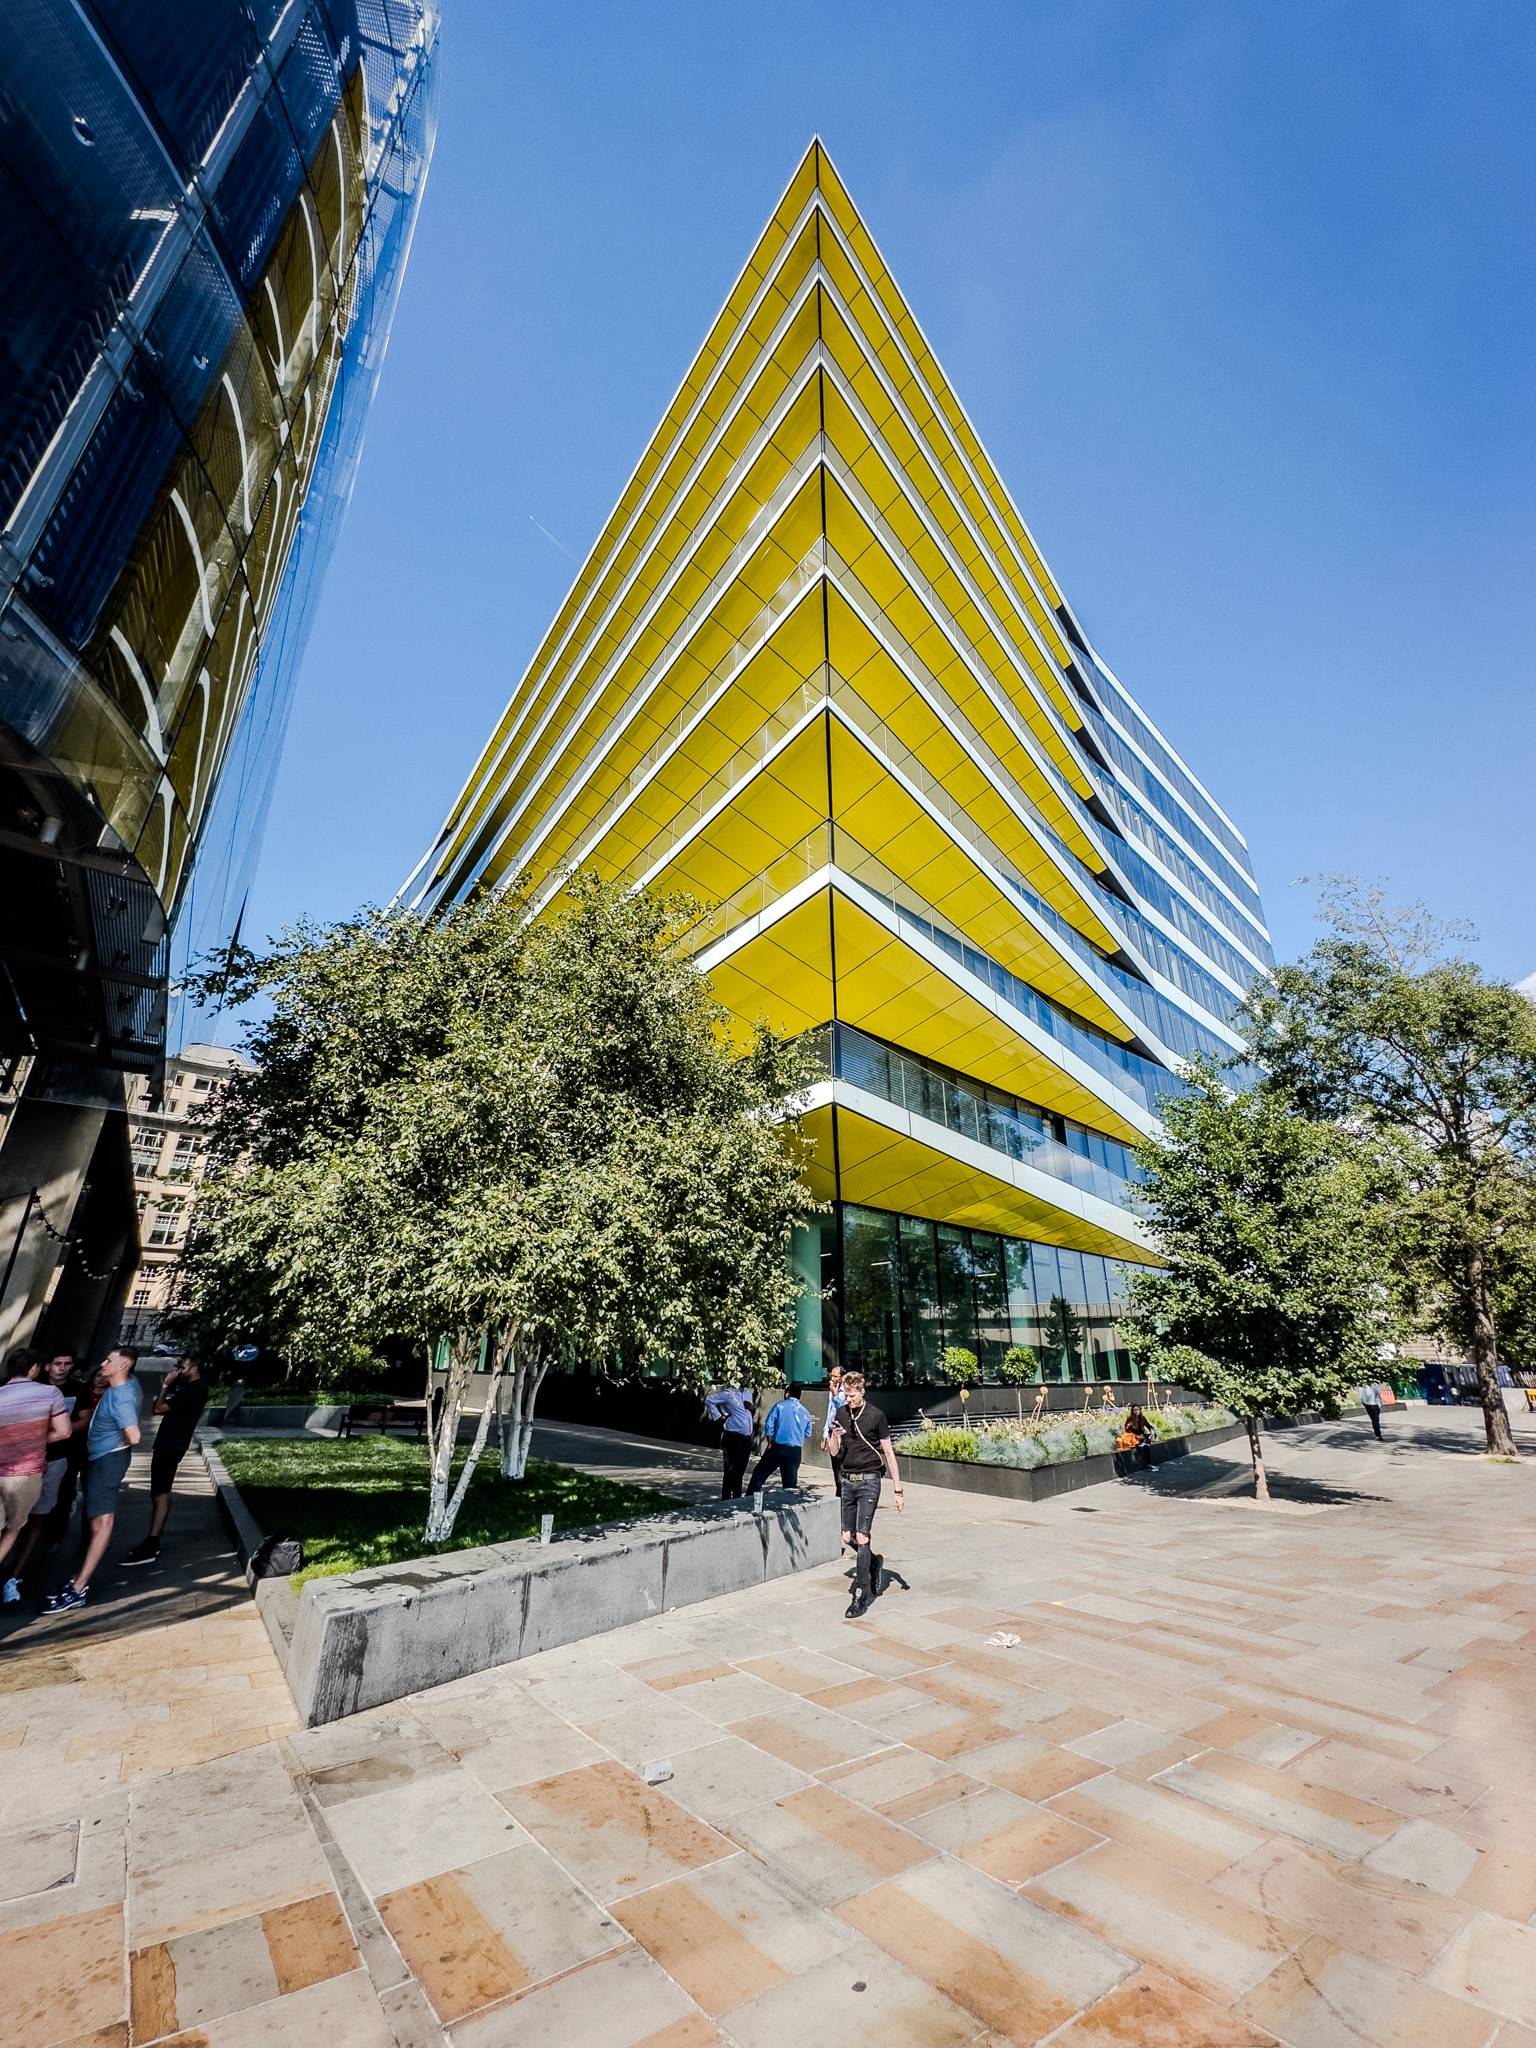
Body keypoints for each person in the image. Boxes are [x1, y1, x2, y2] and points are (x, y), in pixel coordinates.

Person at [45, 1348, 140, 1612]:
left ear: (122, 1365)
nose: (103, 1363)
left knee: (101, 1522)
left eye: (109, 1360)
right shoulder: (123, 1385)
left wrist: (113, 1446)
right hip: (101, 1458)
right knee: (96, 1519)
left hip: (106, 1461)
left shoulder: (122, 1396)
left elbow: (134, 1436)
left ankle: (78, 1588)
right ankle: (78, 1579)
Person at [4, 1354, 81, 1598]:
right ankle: (11, 1579)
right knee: (18, 1526)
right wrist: (33, 1440)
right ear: (36, 1369)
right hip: (29, 1470)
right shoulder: (50, 1394)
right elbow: (64, 1431)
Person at [829, 1371, 903, 1618]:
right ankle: (874, 1562)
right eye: (845, 1395)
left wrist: (897, 1490)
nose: (848, 1399)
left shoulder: (875, 1415)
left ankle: (860, 1595)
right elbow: (833, 1452)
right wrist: (835, 1436)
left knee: (862, 1537)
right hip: (847, 1480)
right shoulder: (841, 1413)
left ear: (862, 1392)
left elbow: (889, 1452)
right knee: (847, 1536)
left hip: (870, 1479)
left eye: (852, 1395)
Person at [123, 1356, 209, 1566]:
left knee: (159, 1492)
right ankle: (154, 1538)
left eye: (182, 1367)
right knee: (163, 1490)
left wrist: (165, 1385)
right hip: (171, 1444)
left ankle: (152, 1543)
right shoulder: (193, 1388)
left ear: (194, 1369)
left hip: (171, 1445)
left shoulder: (195, 1388)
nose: (178, 1371)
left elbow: (158, 1409)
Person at [748, 1387, 816, 1493]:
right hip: (795, 1451)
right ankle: (789, 1501)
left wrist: (770, 1442)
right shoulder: (805, 1412)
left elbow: (769, 1424)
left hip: (778, 1447)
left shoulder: (780, 1406)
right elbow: (808, 1433)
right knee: (790, 1483)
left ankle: (750, 1497)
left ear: (787, 1393)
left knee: (759, 1474)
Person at [704, 1384, 756, 1499]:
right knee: (730, 1470)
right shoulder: (729, 1394)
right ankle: (726, 1498)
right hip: (733, 1436)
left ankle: (737, 1497)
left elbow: (748, 1412)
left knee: (740, 1471)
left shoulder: (747, 1393)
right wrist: (719, 1416)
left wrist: (752, 1409)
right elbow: (709, 1400)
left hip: (746, 1437)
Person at [822, 1364, 849, 1497]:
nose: (832, 1379)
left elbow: (841, 1409)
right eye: (831, 1376)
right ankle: (839, 1490)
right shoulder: (832, 1390)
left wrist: (835, 1394)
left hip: (843, 1432)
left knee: (842, 1465)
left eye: (835, 1376)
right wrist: (825, 1433)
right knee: (835, 1465)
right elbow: (830, 1412)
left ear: (842, 1377)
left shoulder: (846, 1391)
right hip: (832, 1431)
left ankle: (843, 1493)